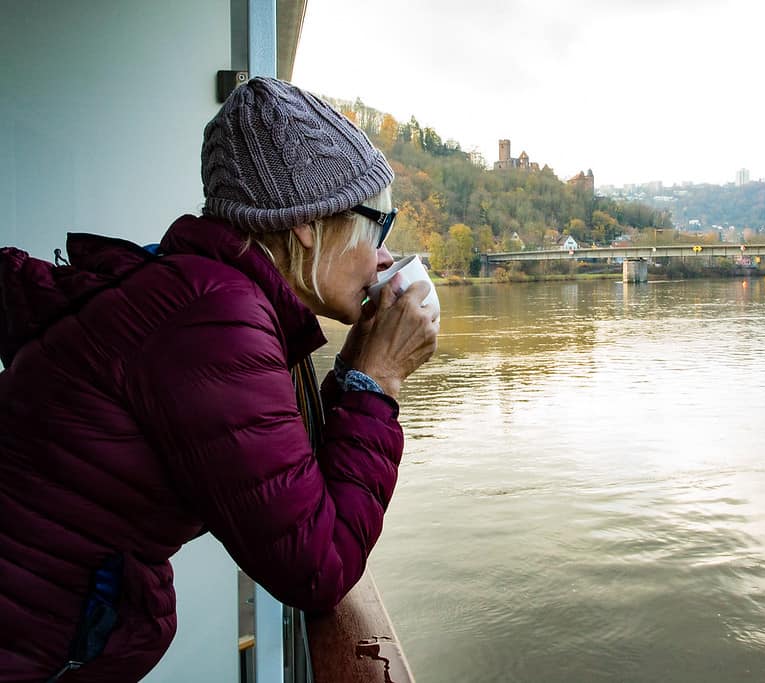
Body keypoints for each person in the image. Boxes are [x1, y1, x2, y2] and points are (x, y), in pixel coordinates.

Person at [0, 76, 439, 681]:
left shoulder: (203, 291)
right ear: (308, 223)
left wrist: (352, 370)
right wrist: (379, 380)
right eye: (375, 225)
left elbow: (285, 477)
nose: (384, 254)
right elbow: (317, 566)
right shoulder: (217, 319)